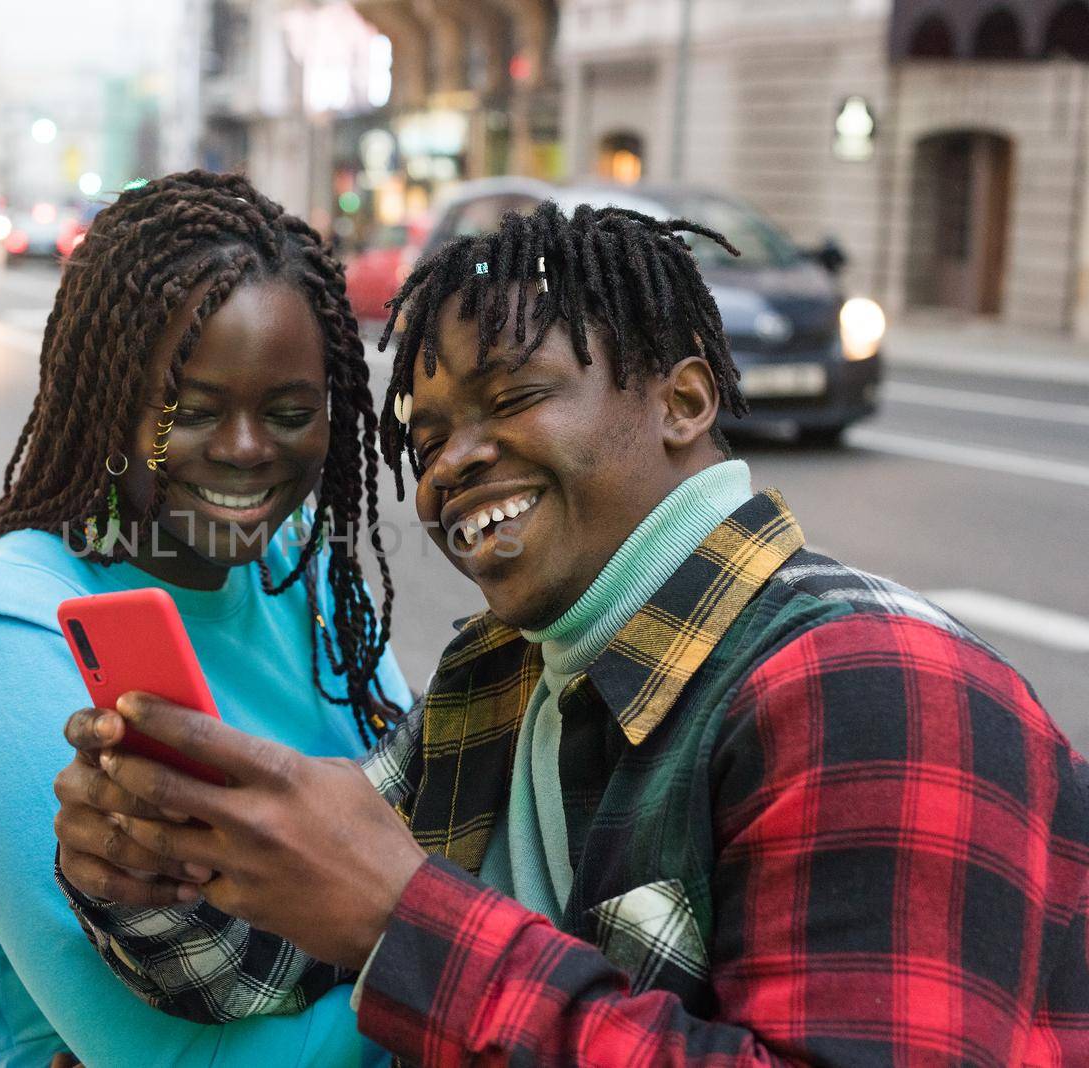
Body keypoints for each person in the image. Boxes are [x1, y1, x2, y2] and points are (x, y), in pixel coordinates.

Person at [53, 201, 1089, 1065]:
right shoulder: (500, 678)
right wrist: (148, 880)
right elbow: (261, 964)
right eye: (425, 440)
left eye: (512, 397)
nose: (452, 463)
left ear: (683, 401)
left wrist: (403, 918)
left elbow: (384, 919)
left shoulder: (871, 684)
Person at [0, 171, 412, 1067]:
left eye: (288, 412)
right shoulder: (1, 642)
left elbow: (426, 825)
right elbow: (179, 1059)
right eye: (191, 412)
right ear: (111, 401)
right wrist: (463, 977)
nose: (245, 451)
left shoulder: (297, 561)